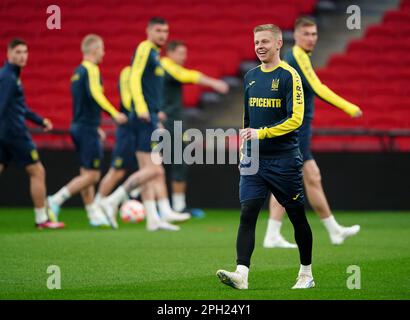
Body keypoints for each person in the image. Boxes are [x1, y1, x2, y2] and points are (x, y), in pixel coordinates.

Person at [216, 24, 315, 289]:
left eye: (265, 42)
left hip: (284, 159)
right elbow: (247, 119)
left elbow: (296, 119)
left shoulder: (289, 76)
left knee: (296, 215)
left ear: (279, 43)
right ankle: (242, 275)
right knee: (248, 212)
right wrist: (242, 149)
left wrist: (264, 133)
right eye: (256, 42)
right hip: (253, 159)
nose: (259, 46)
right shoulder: (250, 76)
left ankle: (306, 274)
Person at [263, 16, 362, 248]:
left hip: (300, 128)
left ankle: (332, 229)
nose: (311, 38)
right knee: (290, 179)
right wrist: (348, 107)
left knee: (311, 177)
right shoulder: (297, 55)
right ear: (296, 36)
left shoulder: (298, 56)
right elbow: (318, 88)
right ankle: (273, 234)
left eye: (314, 34)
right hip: (294, 129)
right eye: (306, 34)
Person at [98, 17, 190, 231]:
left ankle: (152, 219)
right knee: (155, 170)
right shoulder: (145, 48)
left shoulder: (155, 55)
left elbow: (149, 86)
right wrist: (141, 107)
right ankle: (113, 199)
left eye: (165, 31)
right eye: (158, 30)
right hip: (143, 117)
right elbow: (134, 76)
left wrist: (156, 111)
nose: (163, 35)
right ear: (148, 31)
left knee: (149, 168)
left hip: (149, 115)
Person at [47, 34, 127, 226]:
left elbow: (83, 102)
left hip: (79, 125)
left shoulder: (77, 72)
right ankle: (55, 199)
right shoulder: (91, 69)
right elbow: (96, 95)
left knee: (86, 173)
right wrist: (114, 113)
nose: (104, 53)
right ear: (94, 50)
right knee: (92, 175)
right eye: (102, 49)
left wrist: (95, 125)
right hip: (86, 128)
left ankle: (92, 214)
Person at [0, 38, 64, 229]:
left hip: (6, 132)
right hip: (15, 133)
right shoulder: (9, 78)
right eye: (18, 52)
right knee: (37, 171)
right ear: (8, 54)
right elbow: (2, 106)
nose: (22, 56)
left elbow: (20, 108)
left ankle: (41, 218)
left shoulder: (11, 76)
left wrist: (40, 120)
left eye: (25, 52)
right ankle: (41, 219)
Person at [160, 40, 229, 212]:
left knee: (173, 162)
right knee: (168, 164)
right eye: (181, 53)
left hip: (172, 121)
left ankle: (176, 206)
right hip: (168, 122)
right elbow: (188, 76)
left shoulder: (165, 67)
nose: (185, 57)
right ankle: (171, 207)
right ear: (170, 52)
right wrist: (214, 83)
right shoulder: (165, 66)